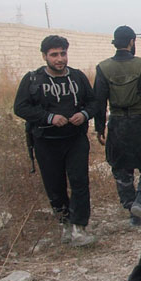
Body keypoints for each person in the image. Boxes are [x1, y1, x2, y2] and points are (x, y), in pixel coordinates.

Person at [14, 35, 97, 246]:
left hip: (75, 139)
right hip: (46, 141)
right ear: (44, 56)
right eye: (54, 55)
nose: (59, 59)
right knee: (55, 186)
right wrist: (49, 118)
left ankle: (80, 227)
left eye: (63, 54)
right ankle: (65, 225)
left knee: (79, 182)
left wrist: (85, 115)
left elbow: (94, 102)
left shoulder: (78, 77)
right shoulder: (33, 79)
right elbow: (21, 107)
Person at [94, 26, 141, 226]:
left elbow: (99, 101)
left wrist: (99, 129)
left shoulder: (103, 68)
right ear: (131, 42)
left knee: (121, 168)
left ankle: (132, 209)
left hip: (117, 123)